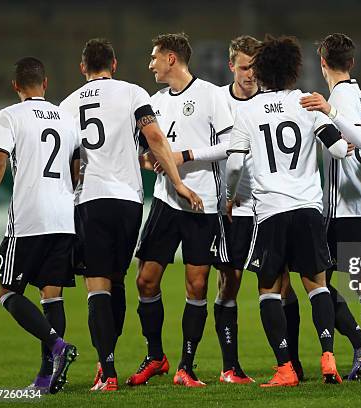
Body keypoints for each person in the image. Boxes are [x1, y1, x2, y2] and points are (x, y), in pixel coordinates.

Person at [60, 38, 201, 391]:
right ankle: (106, 363)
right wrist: (178, 184)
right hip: (128, 200)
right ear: (115, 63)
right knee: (119, 278)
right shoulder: (135, 93)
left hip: (89, 198)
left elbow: (70, 162)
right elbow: (154, 136)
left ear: (82, 68)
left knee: (97, 288)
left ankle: (106, 371)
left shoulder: (67, 104)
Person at [226, 34, 348, 387]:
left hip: (271, 210)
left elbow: (234, 166)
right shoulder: (306, 103)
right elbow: (338, 150)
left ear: (261, 72)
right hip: (308, 208)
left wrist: (228, 198)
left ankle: (285, 369)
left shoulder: (247, 111)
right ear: (294, 70)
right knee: (317, 286)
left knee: (269, 290)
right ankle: (328, 356)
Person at [131, 33, 236, 387]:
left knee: (196, 286)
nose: (151, 64)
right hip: (165, 201)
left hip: (202, 203)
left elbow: (230, 145)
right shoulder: (152, 101)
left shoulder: (211, 95)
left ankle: (186, 367)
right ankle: (155, 355)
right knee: (145, 280)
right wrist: (152, 160)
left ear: (172, 59)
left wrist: (184, 155)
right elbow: (144, 153)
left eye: (155, 57)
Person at [0, 57, 78, 394]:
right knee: (52, 296)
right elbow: (76, 166)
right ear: (45, 83)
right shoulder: (66, 116)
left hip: (29, 218)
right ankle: (47, 377)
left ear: (16, 86)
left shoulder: (10, 115)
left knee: (7, 293)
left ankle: (58, 346)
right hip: (64, 217)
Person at [300, 33, 361, 379]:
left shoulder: (337, 99)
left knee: (315, 277)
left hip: (343, 208)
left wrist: (329, 110)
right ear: (351, 62)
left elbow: (360, 140)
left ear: (323, 64)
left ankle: (360, 346)